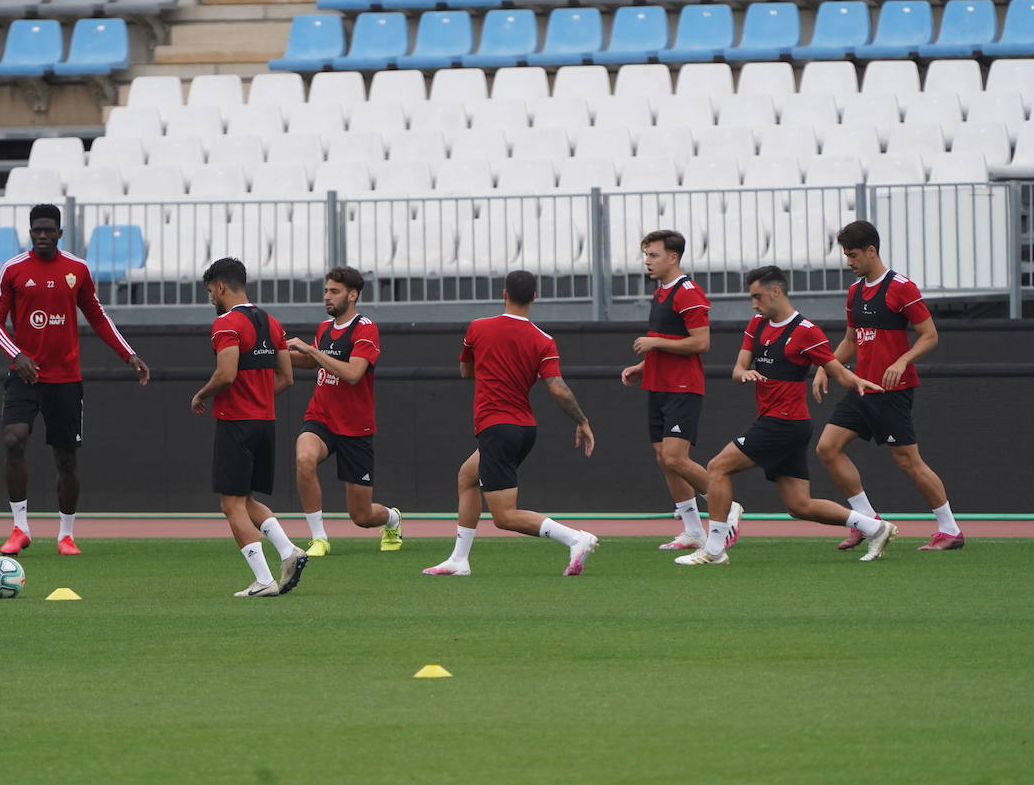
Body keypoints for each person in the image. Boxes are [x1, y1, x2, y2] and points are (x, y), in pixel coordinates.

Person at [675, 266, 898, 566]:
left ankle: (714, 550)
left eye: (758, 297)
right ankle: (875, 526)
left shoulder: (806, 331)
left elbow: (835, 370)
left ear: (776, 292)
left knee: (717, 468)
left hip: (785, 422)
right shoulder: (757, 324)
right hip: (780, 423)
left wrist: (856, 380)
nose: (754, 304)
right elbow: (738, 369)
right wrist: (745, 374)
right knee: (799, 506)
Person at [0, 204, 150, 557]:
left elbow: (97, 315)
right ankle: (20, 528)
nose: (42, 235)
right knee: (14, 439)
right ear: (30, 233)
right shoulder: (12, 270)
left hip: (65, 379)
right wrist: (17, 355)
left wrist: (129, 354)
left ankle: (66, 534)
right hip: (23, 376)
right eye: (36, 230)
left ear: (60, 234)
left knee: (66, 458)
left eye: (49, 230)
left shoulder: (77, 269)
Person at [422, 270, 599, 577]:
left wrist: (493, 368)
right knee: (467, 476)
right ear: (534, 298)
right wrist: (582, 421)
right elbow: (557, 387)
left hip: (497, 428)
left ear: (503, 293)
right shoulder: (543, 340)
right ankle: (458, 560)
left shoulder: (478, 328)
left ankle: (576, 538)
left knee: (504, 516)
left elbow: (466, 371)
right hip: (522, 429)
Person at [814, 220, 964, 552]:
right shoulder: (854, 292)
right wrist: (828, 366)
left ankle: (950, 530)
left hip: (893, 391)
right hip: (861, 388)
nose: (849, 262)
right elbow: (851, 340)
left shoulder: (902, 287)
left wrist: (902, 360)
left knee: (908, 461)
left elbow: (930, 335)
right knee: (827, 448)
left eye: (852, 255)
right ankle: (867, 522)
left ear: (871, 251)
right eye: (845, 255)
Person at [191, 257, 307, 598]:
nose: (211, 298)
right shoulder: (272, 323)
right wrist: (257, 397)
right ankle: (289, 552)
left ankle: (264, 580)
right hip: (264, 422)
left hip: (235, 422)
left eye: (211, 291)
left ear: (222, 287)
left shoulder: (226, 323)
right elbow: (287, 378)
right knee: (245, 500)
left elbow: (226, 374)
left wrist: (200, 394)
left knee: (230, 505)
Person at [620, 230, 741, 551]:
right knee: (664, 458)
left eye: (654, 255)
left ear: (673, 257)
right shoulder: (661, 292)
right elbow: (669, 342)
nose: (647, 261)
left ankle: (727, 507)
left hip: (682, 387)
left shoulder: (688, 292)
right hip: (658, 385)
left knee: (675, 457)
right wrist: (643, 367)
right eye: (645, 255)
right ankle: (693, 531)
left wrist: (655, 343)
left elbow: (701, 343)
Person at [285, 266, 402, 557]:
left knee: (362, 516)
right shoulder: (325, 329)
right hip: (321, 419)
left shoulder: (365, 328)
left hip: (355, 428)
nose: (327, 297)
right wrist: (275, 354)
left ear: (352, 295)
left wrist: (311, 351)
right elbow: (311, 363)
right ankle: (319, 538)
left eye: (334, 291)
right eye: (326, 290)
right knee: (304, 458)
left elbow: (353, 373)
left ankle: (393, 519)